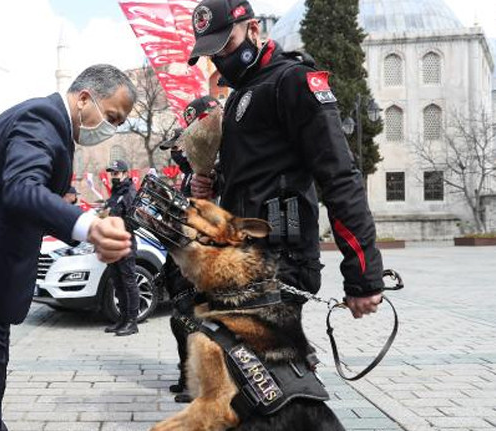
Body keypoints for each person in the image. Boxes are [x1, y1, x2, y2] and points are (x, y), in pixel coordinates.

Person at [0, 64, 137, 431]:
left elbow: (33, 198)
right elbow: (21, 188)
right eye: (111, 116)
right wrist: (88, 226)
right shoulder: (43, 118)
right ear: (85, 98)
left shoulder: (54, 126)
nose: (111, 129)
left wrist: (83, 224)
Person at [187, 0, 385, 318]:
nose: (221, 59)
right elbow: (255, 175)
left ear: (253, 29)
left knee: (267, 360)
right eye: (213, 53)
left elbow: (340, 177)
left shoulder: (293, 81)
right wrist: (210, 182)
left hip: (282, 260)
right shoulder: (240, 95)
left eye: (227, 45)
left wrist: (363, 276)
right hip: (241, 255)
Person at [157, 95, 219, 403]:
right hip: (184, 258)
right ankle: (187, 377)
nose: (179, 151)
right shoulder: (191, 174)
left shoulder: (217, 169)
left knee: (191, 321)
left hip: (205, 260)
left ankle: (199, 383)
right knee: (181, 319)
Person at [102, 159, 140, 336]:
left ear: (125, 174)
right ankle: (123, 318)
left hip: (125, 243)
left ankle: (132, 322)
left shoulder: (130, 193)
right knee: (117, 282)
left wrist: (113, 218)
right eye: (112, 173)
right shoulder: (115, 193)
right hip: (113, 244)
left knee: (129, 282)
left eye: (116, 173)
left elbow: (134, 221)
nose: (113, 176)